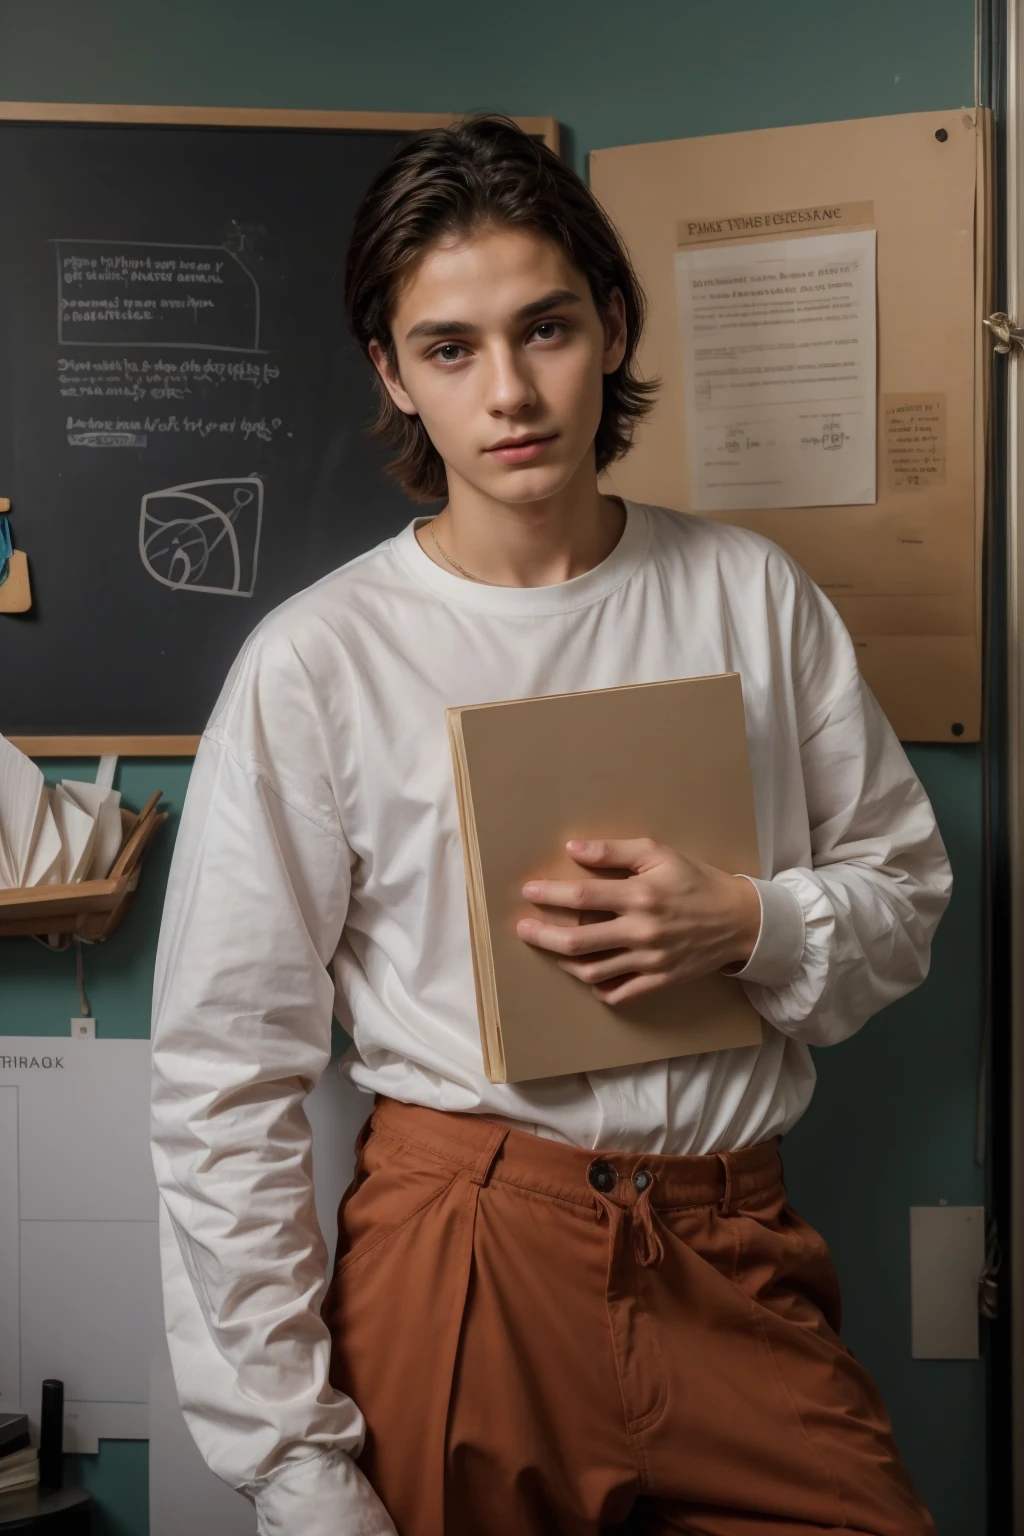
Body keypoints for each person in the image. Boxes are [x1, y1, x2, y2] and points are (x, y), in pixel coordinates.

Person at [150, 115, 952, 1536]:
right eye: (451, 348)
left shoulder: (751, 595)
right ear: (393, 373)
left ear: (616, 327)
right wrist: (288, 1458)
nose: (510, 392)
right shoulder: (314, 660)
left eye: (548, 328)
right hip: (463, 1252)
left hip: (728, 1240)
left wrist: (752, 921)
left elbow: (904, 901)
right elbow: (226, 1077)